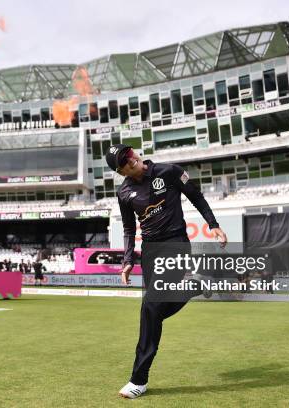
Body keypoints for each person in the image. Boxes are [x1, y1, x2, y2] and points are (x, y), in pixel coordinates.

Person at [106, 144, 228, 399]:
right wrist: (128, 260)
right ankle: (195, 286)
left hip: (176, 244)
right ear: (120, 170)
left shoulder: (169, 171)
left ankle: (138, 380)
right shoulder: (124, 193)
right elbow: (129, 229)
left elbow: (196, 196)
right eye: (124, 160)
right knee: (155, 314)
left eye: (130, 153)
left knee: (150, 307)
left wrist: (213, 224)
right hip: (150, 251)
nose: (132, 158)